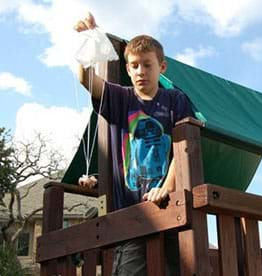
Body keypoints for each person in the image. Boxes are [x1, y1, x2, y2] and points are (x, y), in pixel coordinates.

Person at [75, 13, 194, 276]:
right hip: (130, 214)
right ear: (127, 69)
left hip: (172, 209)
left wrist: (166, 188)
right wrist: (88, 38)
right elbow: (86, 80)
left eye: (147, 65)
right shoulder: (121, 98)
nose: (141, 71)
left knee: (177, 269)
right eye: (135, 65)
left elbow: (184, 147)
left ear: (162, 67)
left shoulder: (175, 100)